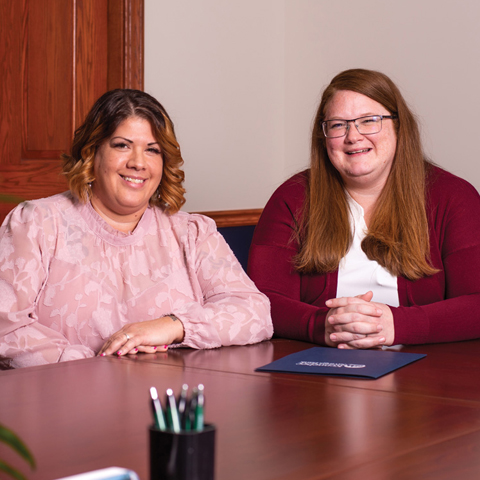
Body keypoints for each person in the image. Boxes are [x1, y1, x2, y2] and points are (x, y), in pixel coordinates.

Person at [0, 89, 273, 368]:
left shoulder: (191, 233)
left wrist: (173, 325)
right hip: (64, 399)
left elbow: (255, 313)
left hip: (167, 400)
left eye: (152, 150)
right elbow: (5, 329)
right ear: (92, 152)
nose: (138, 163)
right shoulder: (36, 223)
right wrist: (89, 366)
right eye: (122, 145)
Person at [248, 68, 480, 349]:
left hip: (426, 373)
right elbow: (260, 300)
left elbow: (476, 304)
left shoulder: (454, 197)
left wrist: (396, 325)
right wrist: (323, 325)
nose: (353, 136)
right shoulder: (292, 198)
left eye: (369, 121)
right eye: (337, 125)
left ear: (399, 126)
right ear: (323, 137)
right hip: (317, 371)